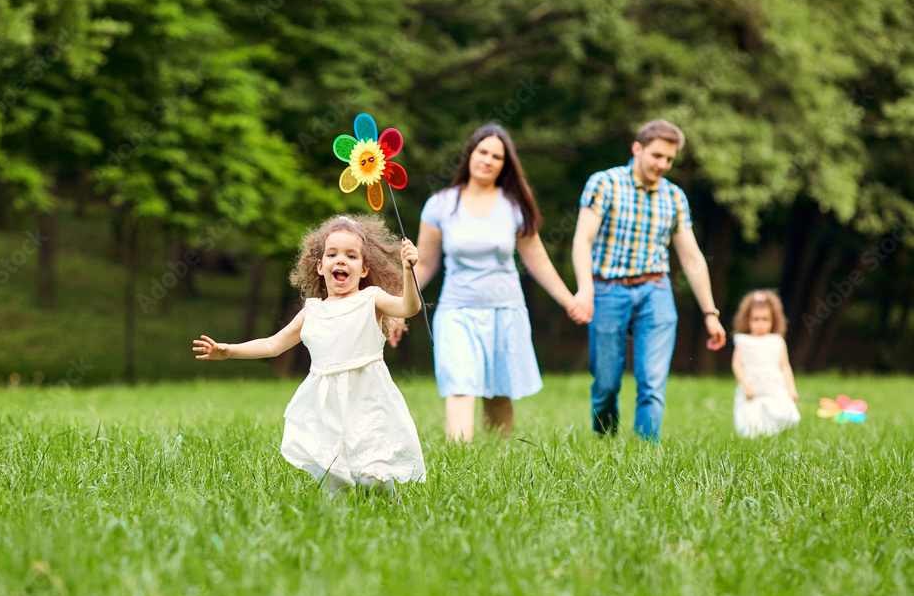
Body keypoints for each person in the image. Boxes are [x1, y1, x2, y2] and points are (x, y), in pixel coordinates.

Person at [193, 215, 426, 495]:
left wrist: (408, 271)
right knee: (334, 476)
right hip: (327, 406)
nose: (341, 261)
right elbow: (273, 345)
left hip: (368, 397)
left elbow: (409, 308)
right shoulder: (312, 312)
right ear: (319, 266)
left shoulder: (371, 299)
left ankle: (388, 506)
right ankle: (338, 513)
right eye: (332, 254)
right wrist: (230, 351)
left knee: (373, 472)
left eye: (351, 256)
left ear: (364, 269)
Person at [395, 124, 585, 442]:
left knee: (499, 393)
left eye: (497, 156)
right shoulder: (440, 205)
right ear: (470, 154)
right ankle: (459, 458)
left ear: (505, 165)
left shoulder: (513, 206)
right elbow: (424, 264)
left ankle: (499, 461)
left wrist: (570, 301)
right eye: (483, 151)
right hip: (457, 311)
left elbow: (537, 259)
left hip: (505, 312)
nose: (488, 160)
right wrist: (397, 308)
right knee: (460, 385)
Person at [571, 119, 726, 441]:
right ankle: (605, 440)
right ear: (637, 148)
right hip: (607, 288)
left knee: (652, 382)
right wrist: (585, 290)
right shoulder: (605, 183)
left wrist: (710, 313)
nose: (662, 164)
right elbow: (583, 241)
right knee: (605, 383)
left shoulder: (674, 196)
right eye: (657, 156)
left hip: (655, 290)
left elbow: (692, 258)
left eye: (669, 159)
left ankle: (645, 453)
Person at [730, 290, 800, 438]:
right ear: (747, 320)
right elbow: (737, 365)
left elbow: (785, 366)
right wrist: (745, 385)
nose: (760, 324)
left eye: (765, 319)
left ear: (773, 320)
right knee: (752, 418)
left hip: (774, 388)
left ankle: (776, 436)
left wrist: (791, 389)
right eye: (756, 319)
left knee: (777, 413)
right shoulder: (743, 341)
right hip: (752, 387)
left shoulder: (777, 341)